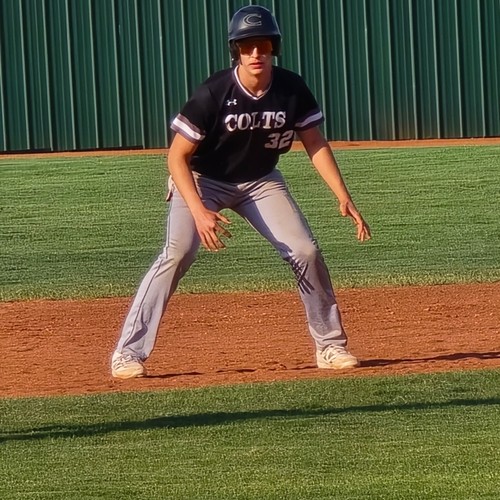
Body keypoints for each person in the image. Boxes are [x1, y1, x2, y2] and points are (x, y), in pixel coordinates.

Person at [111, 5, 371, 379]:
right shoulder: (213, 92)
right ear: (236, 50)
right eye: (247, 46)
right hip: (202, 179)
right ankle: (127, 352)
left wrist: (342, 195)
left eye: (263, 45)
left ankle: (330, 346)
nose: (255, 53)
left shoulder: (291, 89)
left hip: (260, 181)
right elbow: (176, 157)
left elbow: (315, 142)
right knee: (177, 253)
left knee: (305, 251)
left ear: (274, 47)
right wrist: (199, 211)